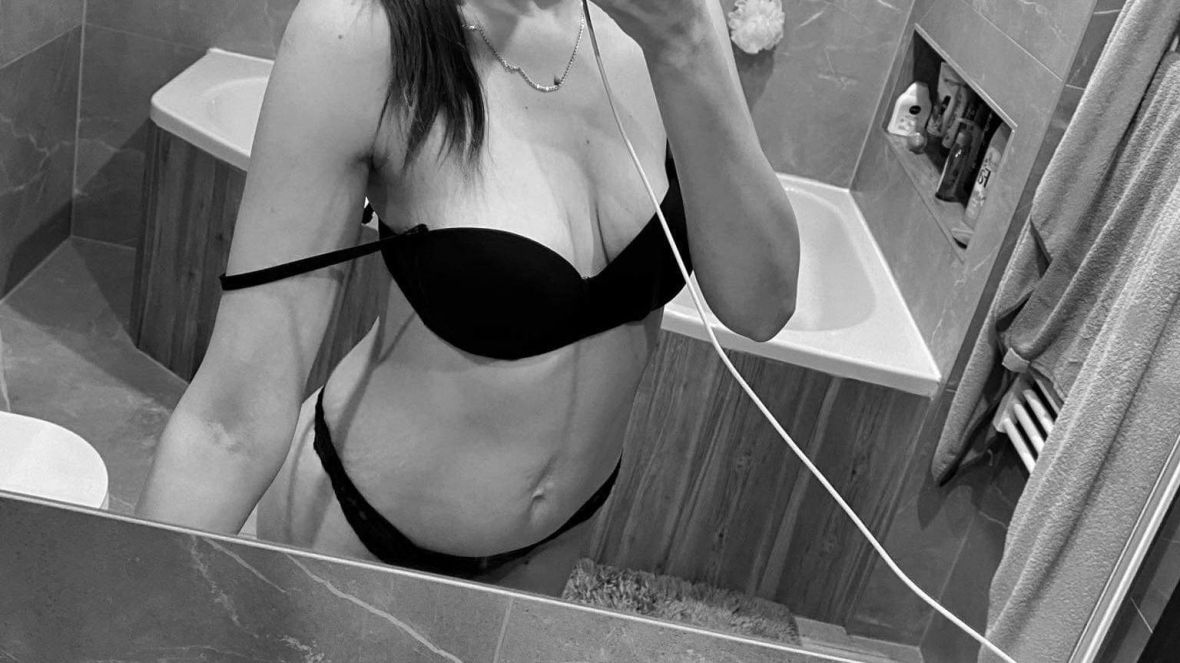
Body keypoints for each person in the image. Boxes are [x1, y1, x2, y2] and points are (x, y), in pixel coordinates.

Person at [136, 0, 799, 596]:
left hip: (558, 541)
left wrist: (686, 45)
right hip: (362, 542)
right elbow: (229, 421)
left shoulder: (674, 23)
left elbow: (761, 308)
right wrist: (139, 615)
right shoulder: (360, 30)